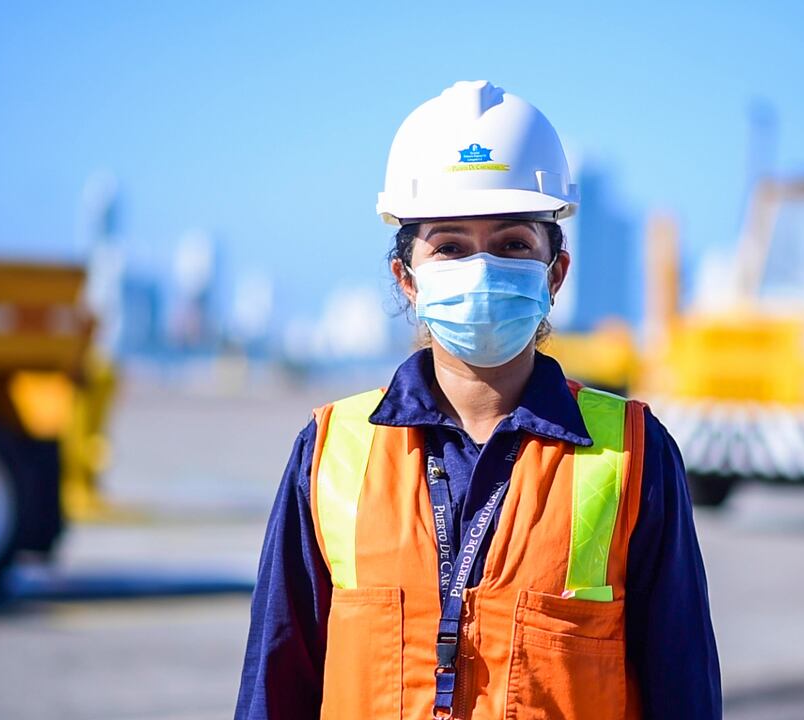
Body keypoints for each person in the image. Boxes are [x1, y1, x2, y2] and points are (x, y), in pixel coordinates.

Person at [235, 80, 721, 719]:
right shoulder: (330, 453)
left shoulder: (632, 455)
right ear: (406, 279)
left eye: (514, 244)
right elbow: (276, 684)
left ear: (556, 273)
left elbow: (682, 689)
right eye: (451, 246)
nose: (482, 268)